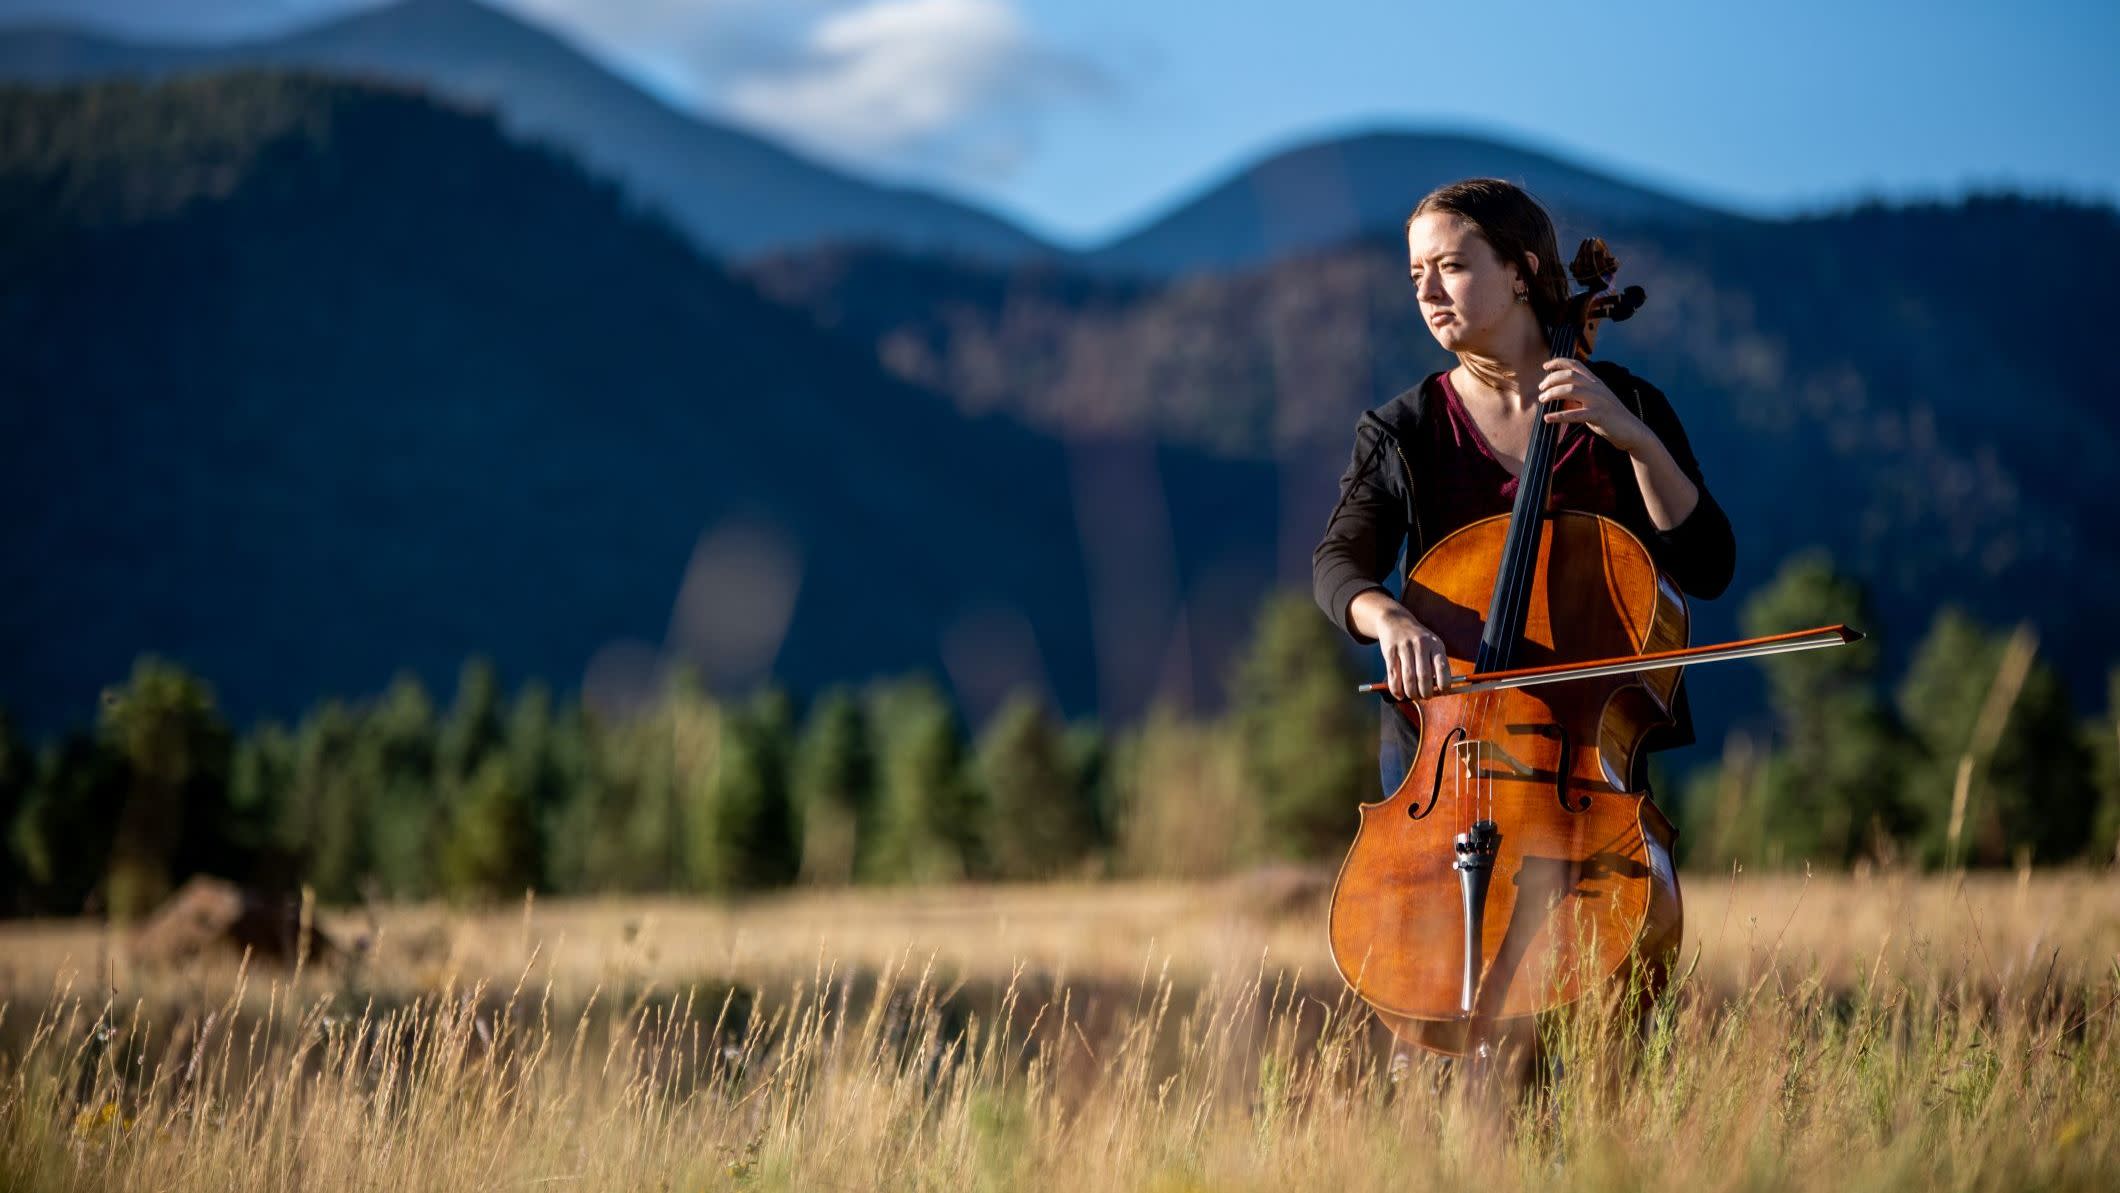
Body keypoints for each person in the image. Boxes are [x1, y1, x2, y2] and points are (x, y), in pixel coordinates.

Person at [1312, 177, 1735, 797]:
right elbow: (1337, 563)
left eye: (1451, 267)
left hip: (1590, 761)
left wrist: (1637, 441)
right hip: (1446, 754)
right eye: (1415, 275)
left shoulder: (1628, 404)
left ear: (1520, 273)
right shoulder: (1402, 429)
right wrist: (1391, 619)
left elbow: (1707, 567)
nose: (1427, 292)